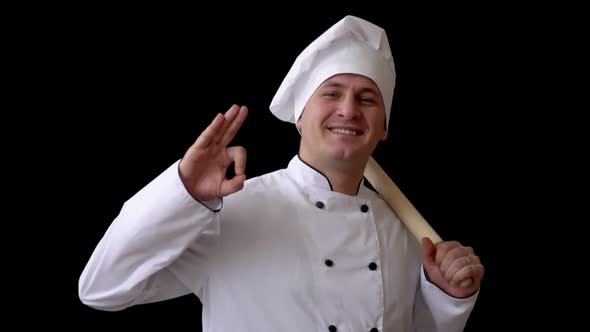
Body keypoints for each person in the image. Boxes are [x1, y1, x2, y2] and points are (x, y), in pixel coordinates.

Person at [79, 15, 484, 331]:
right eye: (331, 93)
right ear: (300, 117)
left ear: (383, 128)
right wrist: (185, 192)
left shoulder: (407, 237)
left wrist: (447, 298)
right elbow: (101, 288)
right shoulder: (232, 214)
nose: (348, 109)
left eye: (367, 99)